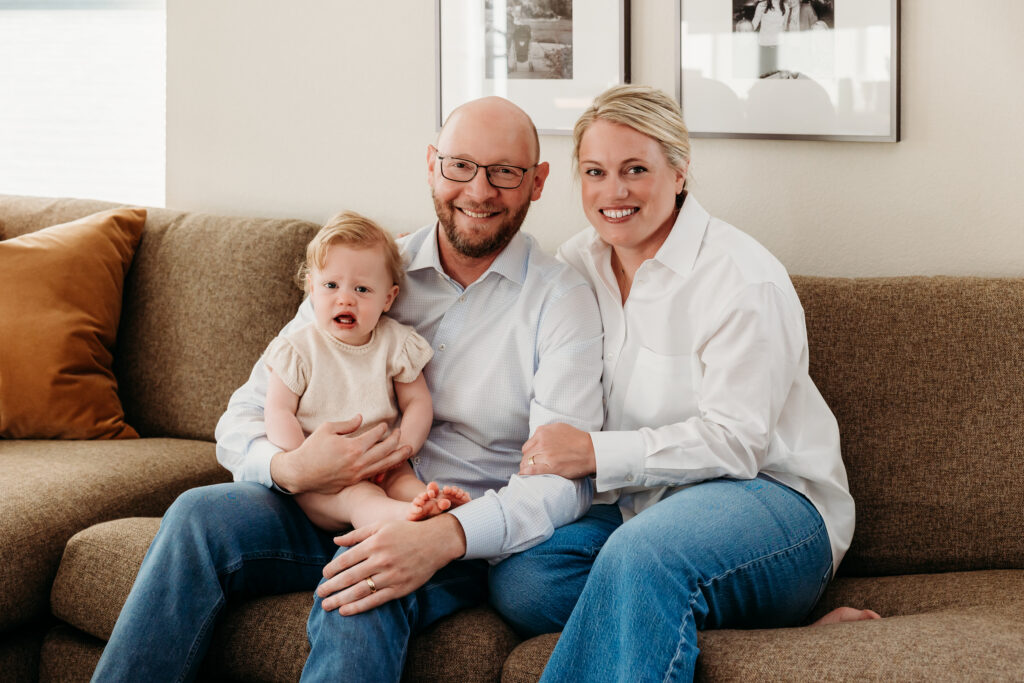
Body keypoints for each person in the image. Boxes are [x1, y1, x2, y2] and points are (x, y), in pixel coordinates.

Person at [92, 96, 606, 681]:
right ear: (433, 163)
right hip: (325, 499)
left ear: (536, 182)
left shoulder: (560, 301)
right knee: (198, 514)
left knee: (362, 589)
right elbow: (244, 416)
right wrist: (292, 469)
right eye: (460, 165)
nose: (479, 190)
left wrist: (445, 535)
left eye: (505, 172)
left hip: (455, 524)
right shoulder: (363, 272)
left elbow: (565, 481)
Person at [487, 84, 875, 681]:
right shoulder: (577, 265)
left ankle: (662, 602)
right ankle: (758, 638)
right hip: (641, 510)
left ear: (679, 169)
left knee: (645, 557)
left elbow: (738, 441)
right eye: (595, 171)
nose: (612, 192)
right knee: (523, 579)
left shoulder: (741, 279)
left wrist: (594, 452)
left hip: (775, 504)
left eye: (634, 169)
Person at [263, 211, 469, 530]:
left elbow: (417, 403)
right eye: (331, 285)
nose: (345, 299)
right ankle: (400, 515)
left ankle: (431, 502)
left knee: (402, 483)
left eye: (362, 290)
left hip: (381, 462)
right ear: (312, 289)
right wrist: (306, 459)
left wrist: (402, 450)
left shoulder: (395, 343)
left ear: (388, 298)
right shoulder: (298, 349)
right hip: (323, 480)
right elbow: (278, 411)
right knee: (359, 498)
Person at [752, 0, 790, 76]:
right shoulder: (761, 5)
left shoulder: (786, 7)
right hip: (764, 45)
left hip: (778, 47)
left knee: (780, 76)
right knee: (764, 75)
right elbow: (754, 23)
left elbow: (784, 27)